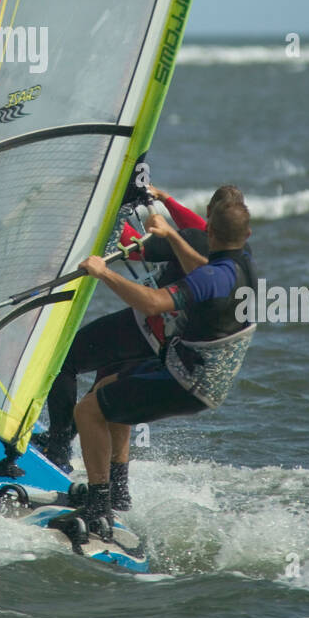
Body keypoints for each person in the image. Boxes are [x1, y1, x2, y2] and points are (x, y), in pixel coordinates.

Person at [58, 196, 257, 539]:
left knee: (87, 411)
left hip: (186, 381)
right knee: (107, 392)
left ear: (208, 232)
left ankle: (97, 506)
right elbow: (202, 268)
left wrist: (103, 271)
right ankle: (117, 492)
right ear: (247, 233)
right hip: (199, 377)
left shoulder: (211, 278)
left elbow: (151, 303)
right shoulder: (243, 265)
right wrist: (173, 234)